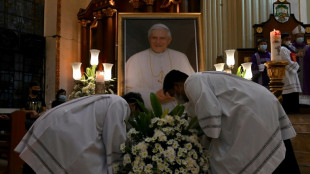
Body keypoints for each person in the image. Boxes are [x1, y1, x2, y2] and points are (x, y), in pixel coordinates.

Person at [163, 70, 300, 174]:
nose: (176, 99)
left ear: (177, 85)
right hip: (260, 103)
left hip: (253, 108)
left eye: (173, 94)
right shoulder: (202, 80)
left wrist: (210, 138)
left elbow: (209, 111)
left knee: (224, 159)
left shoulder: (192, 81)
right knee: (276, 147)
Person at [15, 94, 130, 174]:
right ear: (133, 105)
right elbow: (115, 139)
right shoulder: (120, 103)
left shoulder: (107, 99)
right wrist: (120, 166)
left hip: (50, 123)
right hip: (58, 130)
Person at [126, 23, 195, 111]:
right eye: (154, 38)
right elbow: (128, 91)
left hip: (177, 112)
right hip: (147, 113)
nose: (158, 42)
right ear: (149, 39)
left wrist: (173, 93)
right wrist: (153, 95)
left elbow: (191, 85)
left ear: (169, 40)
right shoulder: (135, 59)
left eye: (162, 38)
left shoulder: (180, 57)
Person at [280, 38, 302, 114]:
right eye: (288, 39)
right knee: (288, 92)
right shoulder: (282, 48)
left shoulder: (288, 49)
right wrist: (296, 66)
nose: (289, 41)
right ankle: (290, 111)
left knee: (294, 92)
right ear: (282, 40)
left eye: (290, 39)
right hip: (287, 73)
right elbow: (286, 61)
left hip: (292, 73)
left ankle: (294, 111)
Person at [292, 25, 310, 105]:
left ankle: (305, 105)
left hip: (306, 72)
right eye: (298, 36)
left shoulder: (307, 48)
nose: (300, 37)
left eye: (302, 36)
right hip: (294, 72)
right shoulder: (290, 47)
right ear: (295, 37)